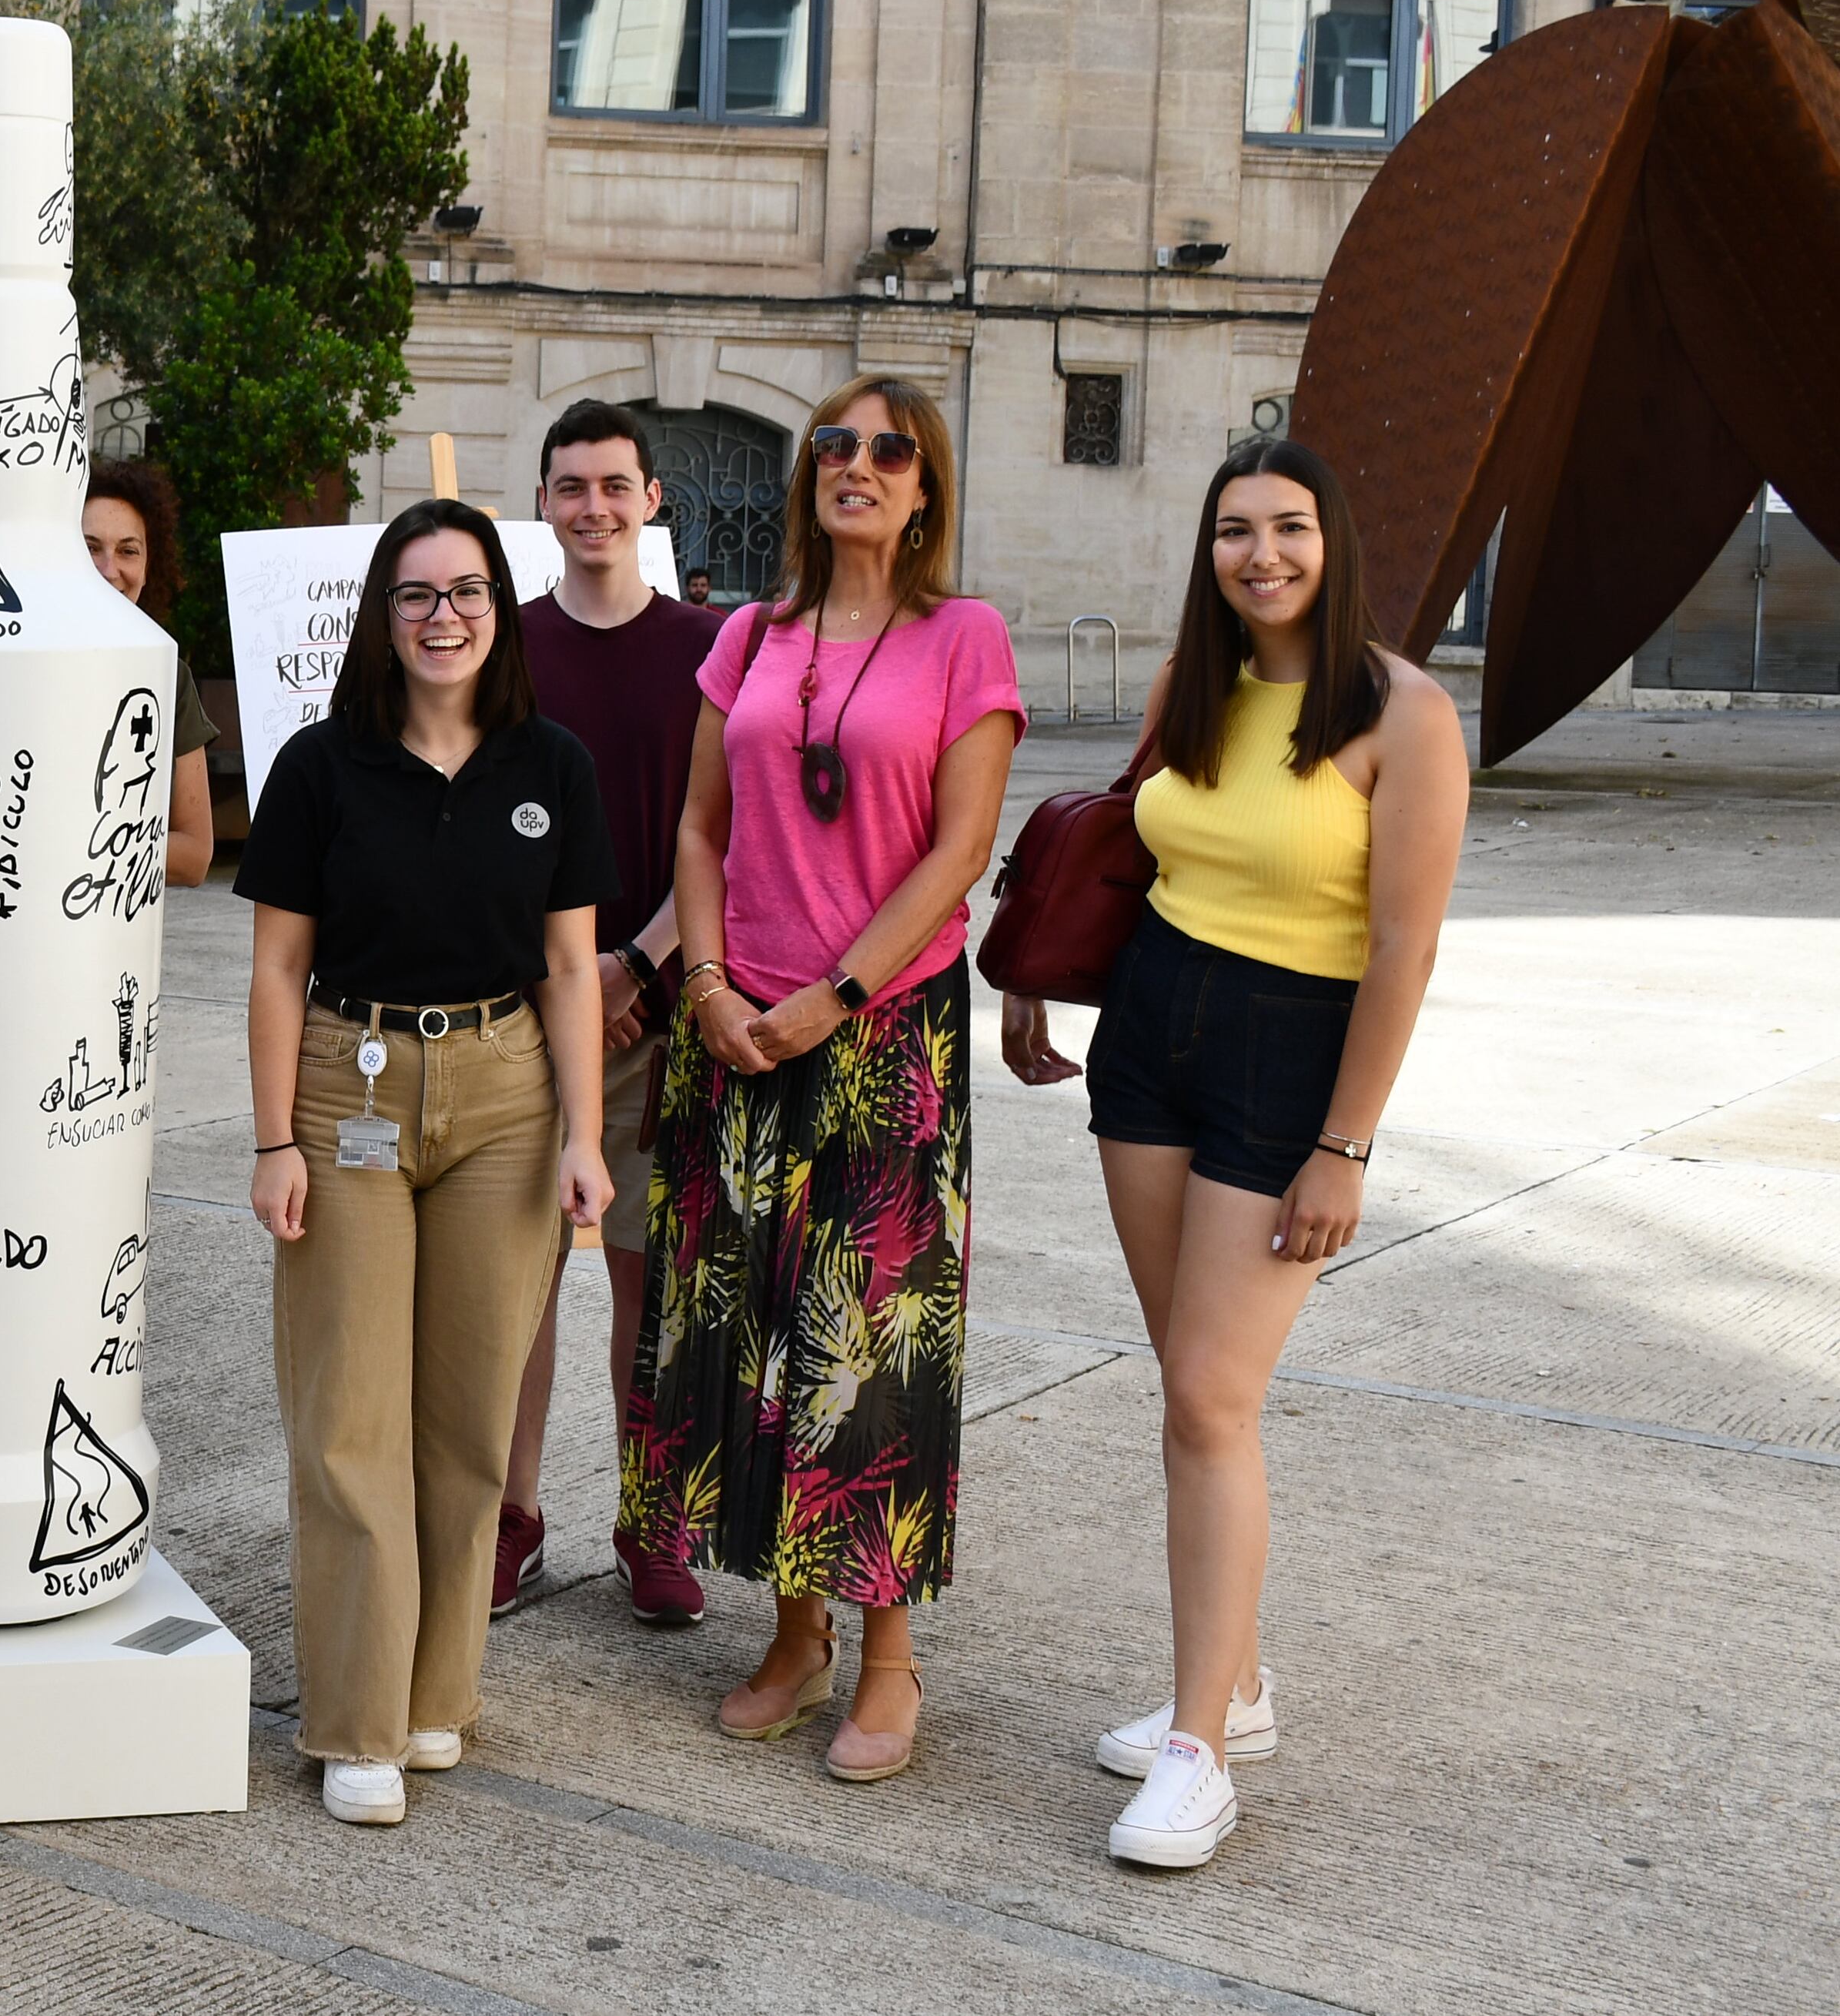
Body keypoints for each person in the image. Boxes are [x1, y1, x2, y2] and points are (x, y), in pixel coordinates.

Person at [1004, 441, 1464, 1870]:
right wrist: (1032, 967)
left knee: (1210, 1396)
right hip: (1153, 1032)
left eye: (1289, 527)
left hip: (1291, 1057)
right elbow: (1135, 846)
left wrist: (1345, 1142)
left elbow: (1404, 946)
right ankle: (1237, 1686)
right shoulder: (1192, 689)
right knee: (1190, 1383)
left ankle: (1201, 1750)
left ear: (1335, 544)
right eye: (1234, 532)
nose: (1261, 553)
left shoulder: (1403, 711)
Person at [639, 376, 1022, 1783]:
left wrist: (833, 995)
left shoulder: (963, 638)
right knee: (751, 1336)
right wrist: (708, 986)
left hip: (883, 1040)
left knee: (871, 1343)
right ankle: (792, 1631)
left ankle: (888, 1658)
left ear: (925, 489)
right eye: (835, 446)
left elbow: (957, 849)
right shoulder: (749, 632)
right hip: (737, 1031)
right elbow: (698, 822)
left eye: (890, 449)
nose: (856, 465)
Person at [239, 499, 614, 1828]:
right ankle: (355, 1719)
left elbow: (573, 964)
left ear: (499, 609)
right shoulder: (321, 766)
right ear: (381, 618)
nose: (441, 615)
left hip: (507, 1093)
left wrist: (581, 1133)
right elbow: (278, 966)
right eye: (415, 595)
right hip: (352, 1081)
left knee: (465, 1412)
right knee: (351, 1415)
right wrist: (276, 1134)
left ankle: (435, 1690)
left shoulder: (550, 764)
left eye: (464, 591)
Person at [497, 402, 721, 1624]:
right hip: (526, 1010)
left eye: (615, 486)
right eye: (571, 486)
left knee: (650, 1278)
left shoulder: (707, 646)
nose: (593, 507)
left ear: (650, 502)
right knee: (519, 1276)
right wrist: (566, 979)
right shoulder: (504, 644)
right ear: (543, 502)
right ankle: (511, 1515)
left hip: (660, 1002)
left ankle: (653, 1518)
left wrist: (641, 963)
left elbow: (725, 833)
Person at [80, 458, 218, 888]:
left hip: (123, 939)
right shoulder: (12, 663)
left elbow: (195, 856)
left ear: (148, 565)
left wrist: (62, 843)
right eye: (88, 548)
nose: (109, 570)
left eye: (127, 550)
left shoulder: (167, 675)